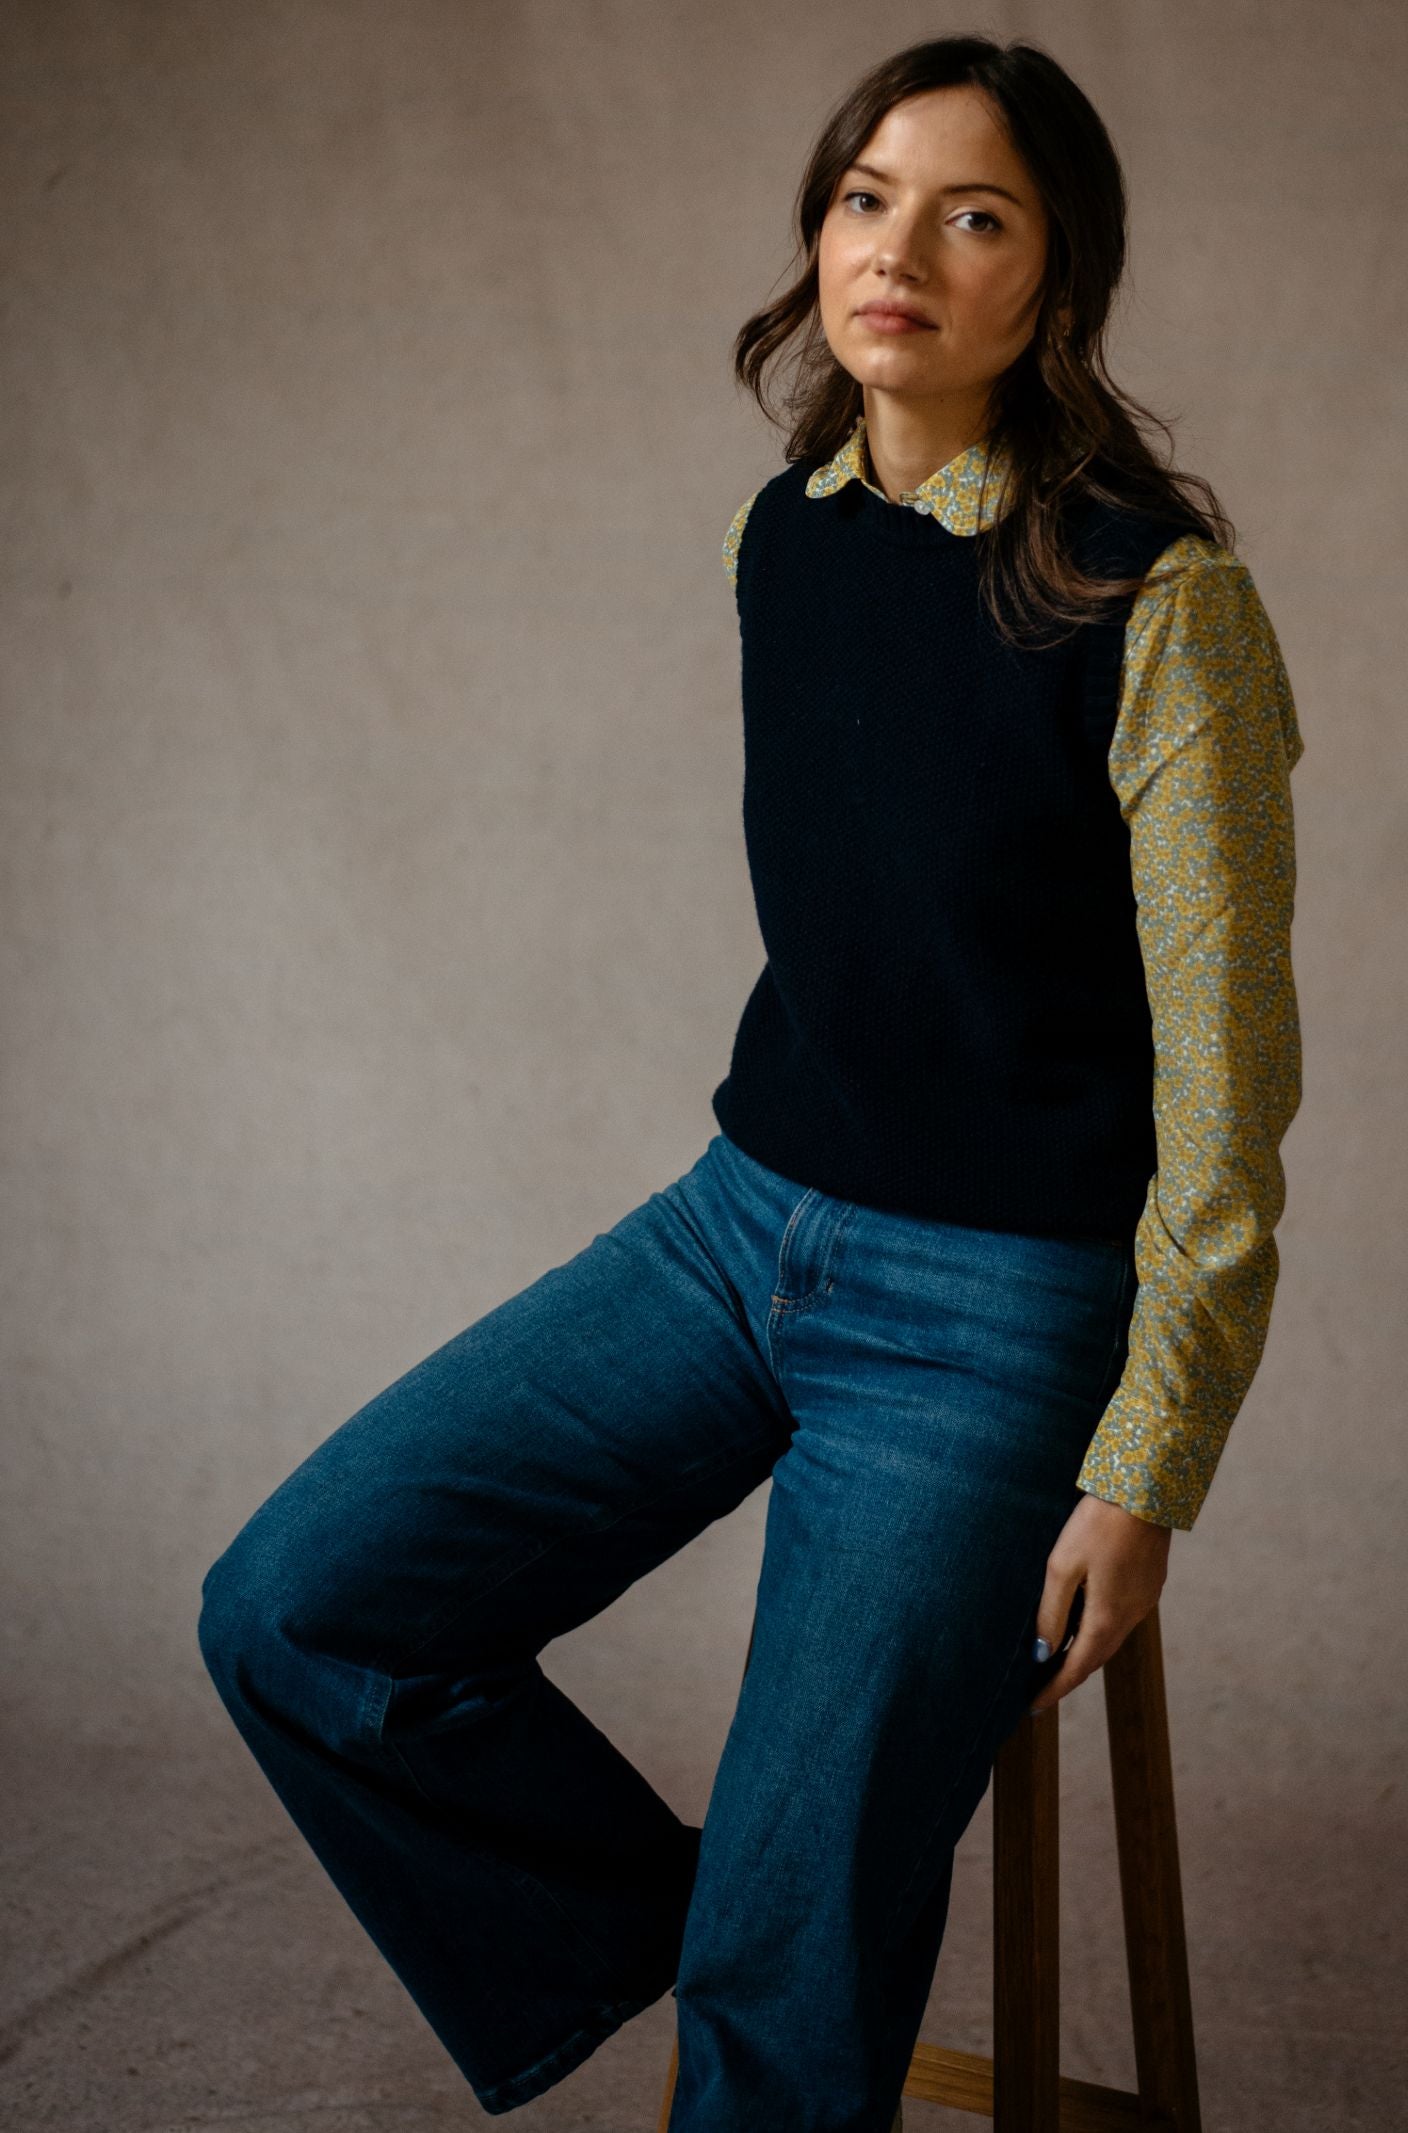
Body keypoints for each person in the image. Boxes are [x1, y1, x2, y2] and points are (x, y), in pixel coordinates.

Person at [198, 32, 1303, 2132]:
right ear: (816, 234)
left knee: (794, 1954)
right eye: (864, 195)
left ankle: (781, 1968)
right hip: (737, 1225)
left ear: (1055, 284)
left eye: (971, 212)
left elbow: (1228, 1089)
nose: (899, 247)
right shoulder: (777, 540)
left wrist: (1149, 1459)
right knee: (298, 1608)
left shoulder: (1154, 602)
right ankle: (734, 1937)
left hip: (989, 1318)